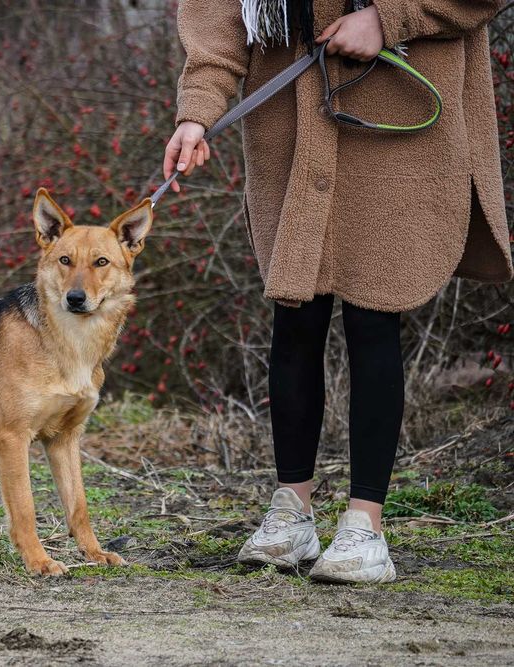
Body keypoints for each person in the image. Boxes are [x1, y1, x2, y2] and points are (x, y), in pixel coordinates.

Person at [164, 0, 512, 583]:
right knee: (295, 313)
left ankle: (365, 527)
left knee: (374, 314)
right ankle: (291, 512)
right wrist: (196, 113)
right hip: (288, 118)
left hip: (400, 104)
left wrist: (389, 18)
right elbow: (215, 14)